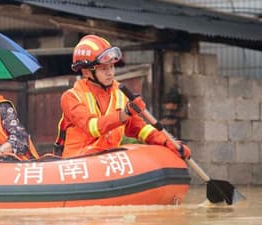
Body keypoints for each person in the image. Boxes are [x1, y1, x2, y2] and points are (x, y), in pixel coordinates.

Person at [56, 34, 191, 159]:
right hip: (78, 162)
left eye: (111, 67)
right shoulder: (71, 97)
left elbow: (140, 128)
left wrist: (167, 141)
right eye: (104, 69)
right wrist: (124, 114)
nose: (110, 73)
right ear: (86, 72)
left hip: (108, 161)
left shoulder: (120, 94)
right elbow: (92, 127)